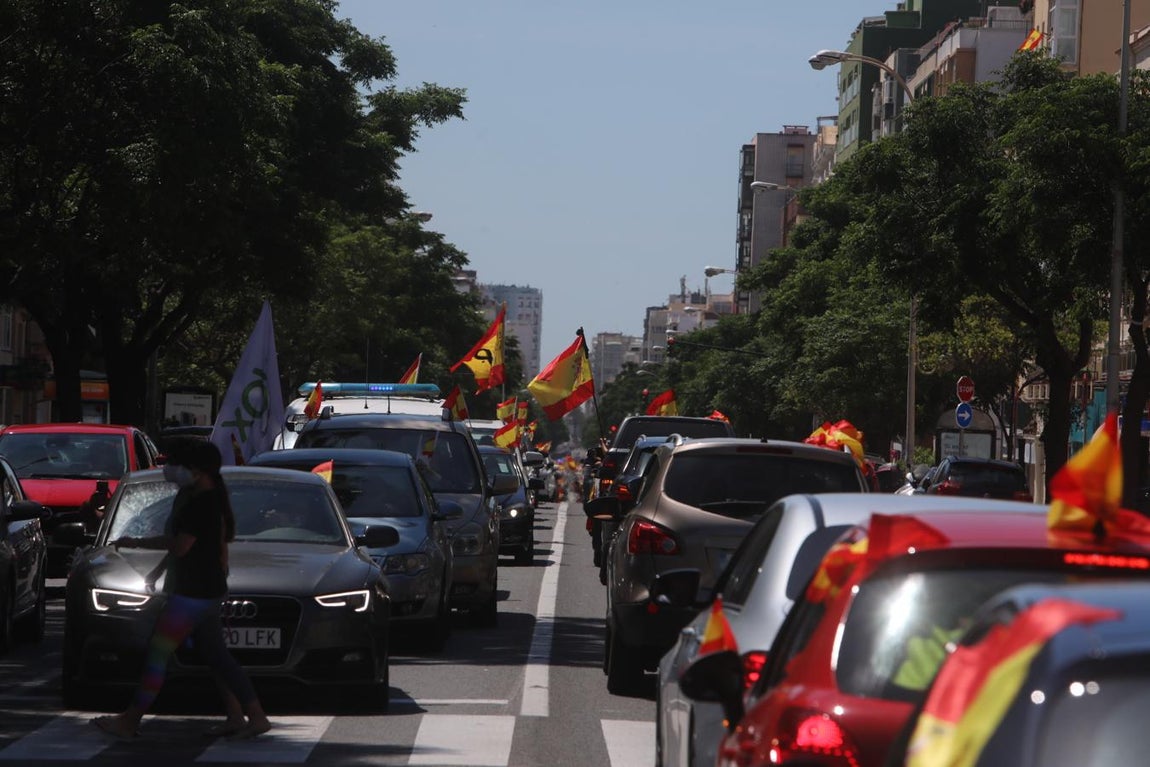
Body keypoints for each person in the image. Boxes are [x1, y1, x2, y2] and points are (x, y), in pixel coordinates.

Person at [92, 438, 271, 741]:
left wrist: (137, 542)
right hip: (208, 590)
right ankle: (247, 716)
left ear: (198, 470)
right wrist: (161, 569)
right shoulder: (207, 497)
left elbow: (181, 546)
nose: (171, 470)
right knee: (217, 657)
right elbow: (206, 548)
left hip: (192, 594)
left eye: (178, 465)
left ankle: (130, 720)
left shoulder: (200, 503)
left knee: (158, 654)